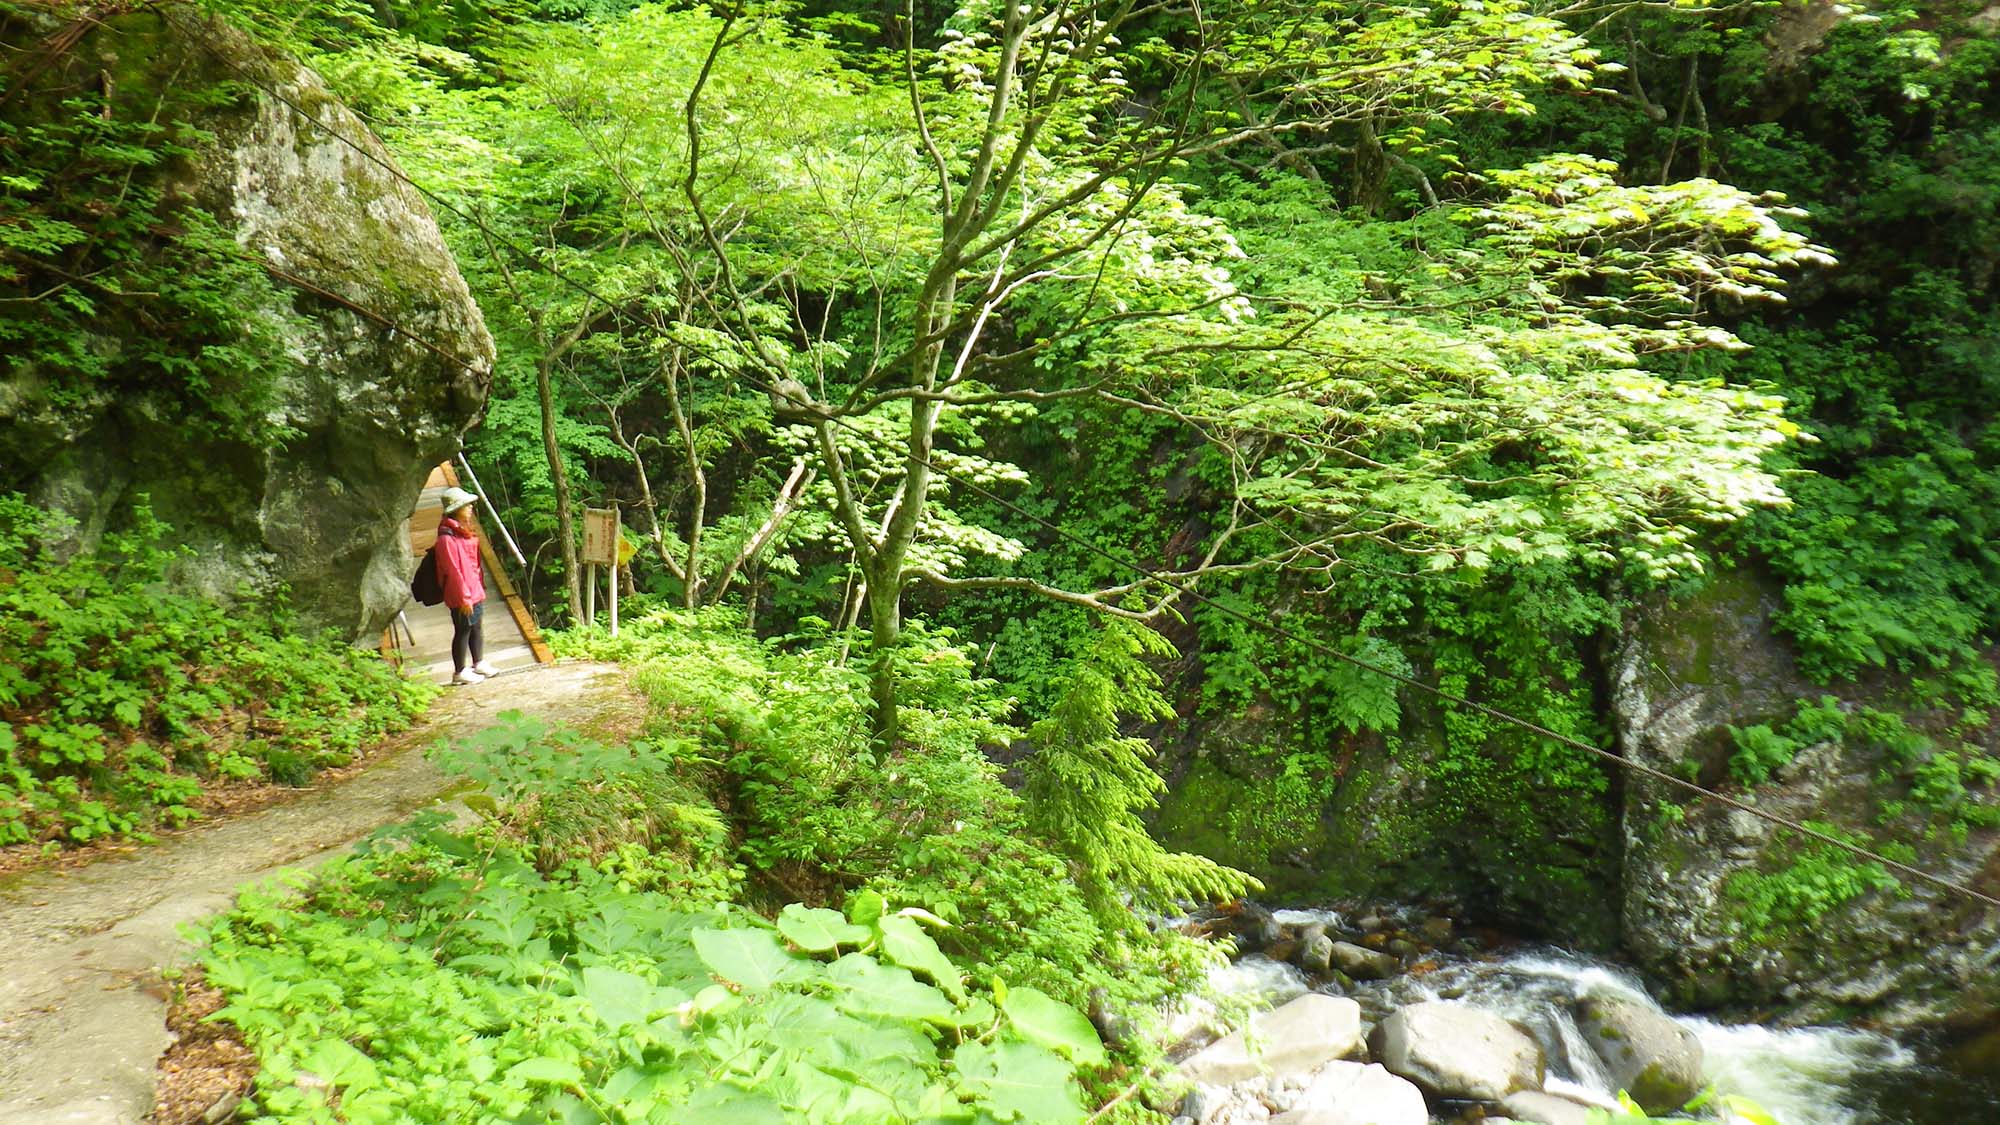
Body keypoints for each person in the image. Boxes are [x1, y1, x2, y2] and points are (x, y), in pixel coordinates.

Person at [435, 486, 496, 685]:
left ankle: (478, 662)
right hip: (461, 592)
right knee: (463, 629)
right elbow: (453, 570)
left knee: (476, 626)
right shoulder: (447, 537)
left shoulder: (463, 532)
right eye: (465, 505)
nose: (470, 507)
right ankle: (459, 671)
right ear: (456, 509)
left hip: (473, 588)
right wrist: (464, 597)